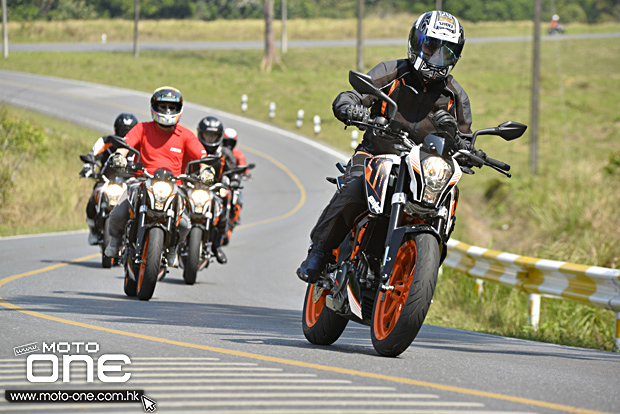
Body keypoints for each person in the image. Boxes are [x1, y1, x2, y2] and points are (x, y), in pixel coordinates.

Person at [297, 10, 472, 283]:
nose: (436, 57)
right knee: (356, 187)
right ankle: (320, 250)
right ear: (417, 42)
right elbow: (353, 94)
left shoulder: (455, 95)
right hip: (377, 152)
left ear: (455, 57)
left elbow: (465, 137)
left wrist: (470, 150)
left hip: (423, 166)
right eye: (431, 46)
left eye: (445, 53)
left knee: (446, 199)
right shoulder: (392, 72)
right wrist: (351, 108)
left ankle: (420, 269)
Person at [104, 87, 209, 264]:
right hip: (141, 181)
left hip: (174, 186)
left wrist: (206, 170)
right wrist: (119, 157)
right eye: (163, 106)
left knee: (184, 224)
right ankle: (115, 241)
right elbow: (124, 146)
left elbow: (202, 156)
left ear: (179, 109)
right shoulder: (141, 128)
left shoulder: (186, 135)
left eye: (172, 107)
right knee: (117, 213)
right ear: (154, 107)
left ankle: (173, 247)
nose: (167, 111)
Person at [79, 112, 138, 245]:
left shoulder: (138, 144)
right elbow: (93, 155)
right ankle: (93, 230)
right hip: (106, 180)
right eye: (122, 131)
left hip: (130, 183)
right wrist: (88, 167)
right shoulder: (105, 142)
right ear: (116, 129)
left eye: (128, 132)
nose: (124, 135)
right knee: (92, 200)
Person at [192, 116, 239, 264]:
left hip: (214, 190)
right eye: (207, 135)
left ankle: (216, 246)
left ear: (219, 137)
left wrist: (235, 179)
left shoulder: (224, 152)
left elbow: (232, 169)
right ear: (201, 134)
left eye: (213, 136)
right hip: (192, 186)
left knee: (223, 213)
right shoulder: (193, 147)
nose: (210, 139)